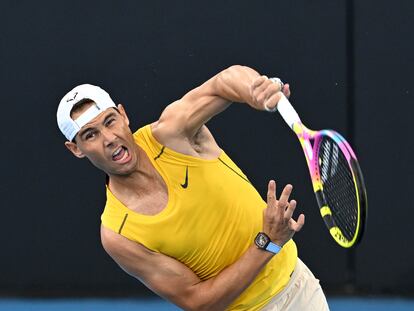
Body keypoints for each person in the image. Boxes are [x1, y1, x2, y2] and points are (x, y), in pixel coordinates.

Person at [57, 65, 329, 311]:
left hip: (299, 290)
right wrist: (267, 243)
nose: (109, 138)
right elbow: (198, 302)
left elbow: (223, 83)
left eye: (109, 121)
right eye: (89, 135)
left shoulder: (172, 134)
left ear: (124, 115)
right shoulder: (119, 233)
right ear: (75, 149)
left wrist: (256, 90)